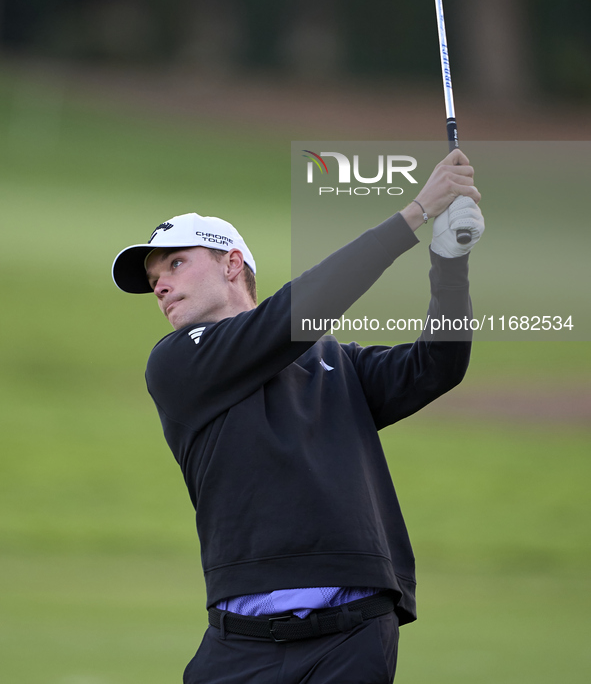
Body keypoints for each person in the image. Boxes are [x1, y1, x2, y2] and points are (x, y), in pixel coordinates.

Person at [111, 149, 484, 684]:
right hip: (239, 644)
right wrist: (416, 213)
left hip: (353, 636)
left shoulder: (334, 360)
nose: (161, 285)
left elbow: (437, 365)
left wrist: (451, 262)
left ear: (231, 263)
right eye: (153, 280)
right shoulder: (176, 362)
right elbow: (298, 310)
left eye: (174, 263)